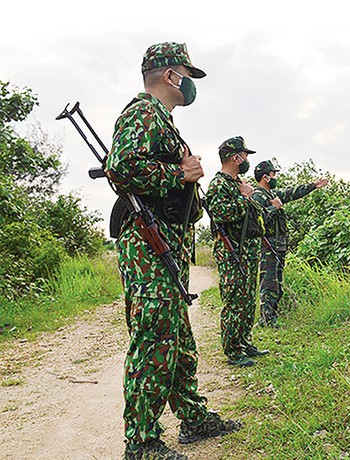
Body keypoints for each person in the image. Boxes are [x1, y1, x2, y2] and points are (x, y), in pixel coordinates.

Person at [105, 42, 240, 460]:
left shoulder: (162, 121)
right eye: (187, 74)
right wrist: (179, 173)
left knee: (177, 338)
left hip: (166, 245)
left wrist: (187, 183)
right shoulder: (143, 112)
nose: (190, 84)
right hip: (148, 245)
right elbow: (120, 167)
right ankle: (141, 442)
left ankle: (193, 417)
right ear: (169, 75)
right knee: (155, 338)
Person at [205, 136, 270, 368]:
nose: (246, 161)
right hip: (232, 251)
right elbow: (221, 213)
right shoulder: (219, 184)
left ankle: (244, 341)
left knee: (247, 298)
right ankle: (233, 349)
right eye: (245, 156)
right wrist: (244, 197)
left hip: (248, 251)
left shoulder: (237, 182)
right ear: (236, 157)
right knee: (234, 299)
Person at [251, 160, 329, 327]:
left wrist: (314, 185)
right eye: (273, 175)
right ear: (265, 177)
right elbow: (256, 223)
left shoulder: (272, 195)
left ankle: (272, 317)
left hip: (278, 245)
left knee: (277, 283)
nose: (275, 177)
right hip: (267, 246)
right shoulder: (258, 196)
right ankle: (266, 319)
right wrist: (274, 208)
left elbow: (292, 193)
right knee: (268, 282)